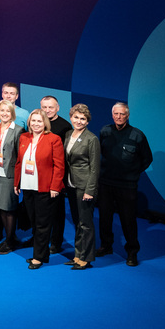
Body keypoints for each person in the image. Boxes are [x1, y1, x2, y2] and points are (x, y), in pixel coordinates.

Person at [95, 102, 153, 266]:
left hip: (127, 186)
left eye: (122, 114)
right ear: (112, 115)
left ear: (127, 116)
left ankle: (132, 252)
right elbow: (102, 153)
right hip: (106, 183)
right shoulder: (105, 131)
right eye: (116, 114)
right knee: (105, 217)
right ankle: (106, 246)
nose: (119, 117)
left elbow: (147, 158)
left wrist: (132, 173)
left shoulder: (137, 135)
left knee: (128, 220)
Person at [14, 109, 65, 270]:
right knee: (34, 222)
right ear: (29, 122)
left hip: (45, 188)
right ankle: (42, 253)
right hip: (27, 186)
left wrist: (55, 186)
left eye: (39, 121)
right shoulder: (24, 137)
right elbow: (19, 162)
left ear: (45, 123)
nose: (36, 124)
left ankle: (38, 257)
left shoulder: (54, 139)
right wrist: (17, 183)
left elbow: (59, 166)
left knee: (43, 223)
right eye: (33, 121)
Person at [64, 104, 100, 270]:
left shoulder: (91, 139)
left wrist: (89, 190)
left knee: (85, 223)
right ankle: (78, 255)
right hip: (71, 185)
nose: (79, 121)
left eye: (83, 119)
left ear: (87, 121)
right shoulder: (68, 134)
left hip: (85, 186)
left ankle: (86, 257)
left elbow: (95, 168)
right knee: (77, 221)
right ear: (71, 117)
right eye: (76, 117)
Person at [0, 99, 23, 253]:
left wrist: (18, 180)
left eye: (8, 111)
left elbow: (19, 157)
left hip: (10, 175)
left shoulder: (18, 130)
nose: (4, 113)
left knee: (9, 208)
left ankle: (10, 242)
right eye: (2, 110)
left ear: (12, 113)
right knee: (0, 207)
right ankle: (9, 237)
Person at [41, 95, 72, 254]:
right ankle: (39, 238)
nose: (47, 110)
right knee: (40, 211)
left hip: (55, 176)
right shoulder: (37, 122)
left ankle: (56, 242)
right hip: (38, 175)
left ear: (58, 108)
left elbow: (65, 156)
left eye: (50, 107)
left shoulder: (65, 127)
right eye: (44, 107)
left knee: (57, 212)